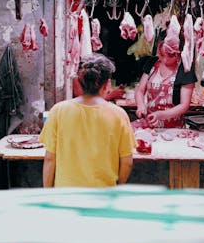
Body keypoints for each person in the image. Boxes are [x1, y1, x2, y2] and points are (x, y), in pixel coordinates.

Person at [39, 54, 136, 187]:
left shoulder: (58, 111)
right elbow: (127, 162)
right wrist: (117, 187)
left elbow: (50, 159)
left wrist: (48, 193)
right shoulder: (119, 114)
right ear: (107, 84)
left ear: (80, 82)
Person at [134, 34, 197, 128]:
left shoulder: (185, 69)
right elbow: (140, 90)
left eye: (171, 56)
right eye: (162, 54)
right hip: (150, 122)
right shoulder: (152, 63)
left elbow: (184, 105)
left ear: (178, 52)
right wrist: (141, 105)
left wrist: (160, 115)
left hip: (173, 128)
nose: (165, 60)